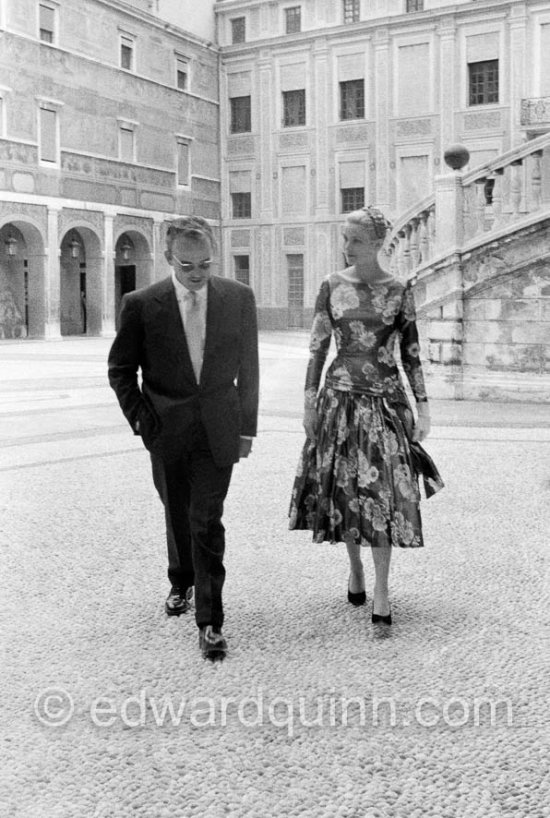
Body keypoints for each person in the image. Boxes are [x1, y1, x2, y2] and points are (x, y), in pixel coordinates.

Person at [108, 216, 259, 660]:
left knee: (206, 519)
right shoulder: (141, 303)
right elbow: (120, 370)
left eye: (206, 265)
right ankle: (181, 580)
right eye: (187, 266)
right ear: (170, 258)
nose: (197, 275)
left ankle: (210, 623)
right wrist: (143, 421)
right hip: (166, 431)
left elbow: (248, 370)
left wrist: (247, 428)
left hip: (219, 427)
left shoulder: (238, 298)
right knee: (177, 513)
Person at [289, 206, 444, 625]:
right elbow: (317, 349)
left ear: (377, 244)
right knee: (346, 492)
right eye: (345, 239)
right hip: (338, 400)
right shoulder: (331, 285)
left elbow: (411, 354)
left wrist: (423, 409)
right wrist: (308, 405)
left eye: (355, 240)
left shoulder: (398, 289)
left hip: (386, 401)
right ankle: (355, 567)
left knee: (385, 494)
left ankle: (381, 587)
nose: (347, 247)